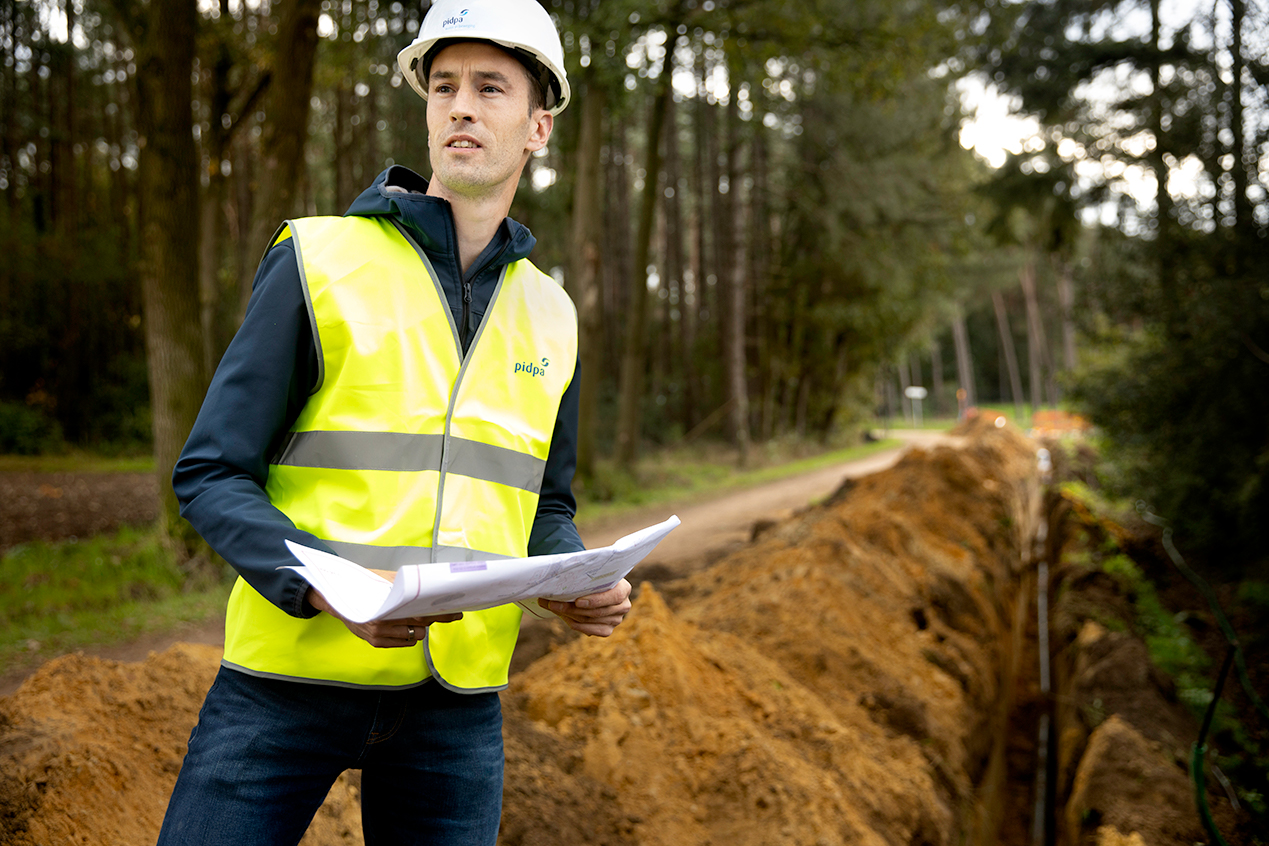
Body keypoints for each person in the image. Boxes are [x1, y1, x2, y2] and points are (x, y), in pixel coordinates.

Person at [156, 1, 631, 843]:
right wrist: (326, 584)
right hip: (283, 684)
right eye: (443, 85)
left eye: (491, 88)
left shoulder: (552, 313)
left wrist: (570, 577)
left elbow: (543, 508)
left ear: (538, 127)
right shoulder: (318, 257)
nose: (460, 105)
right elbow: (209, 472)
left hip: (454, 709)